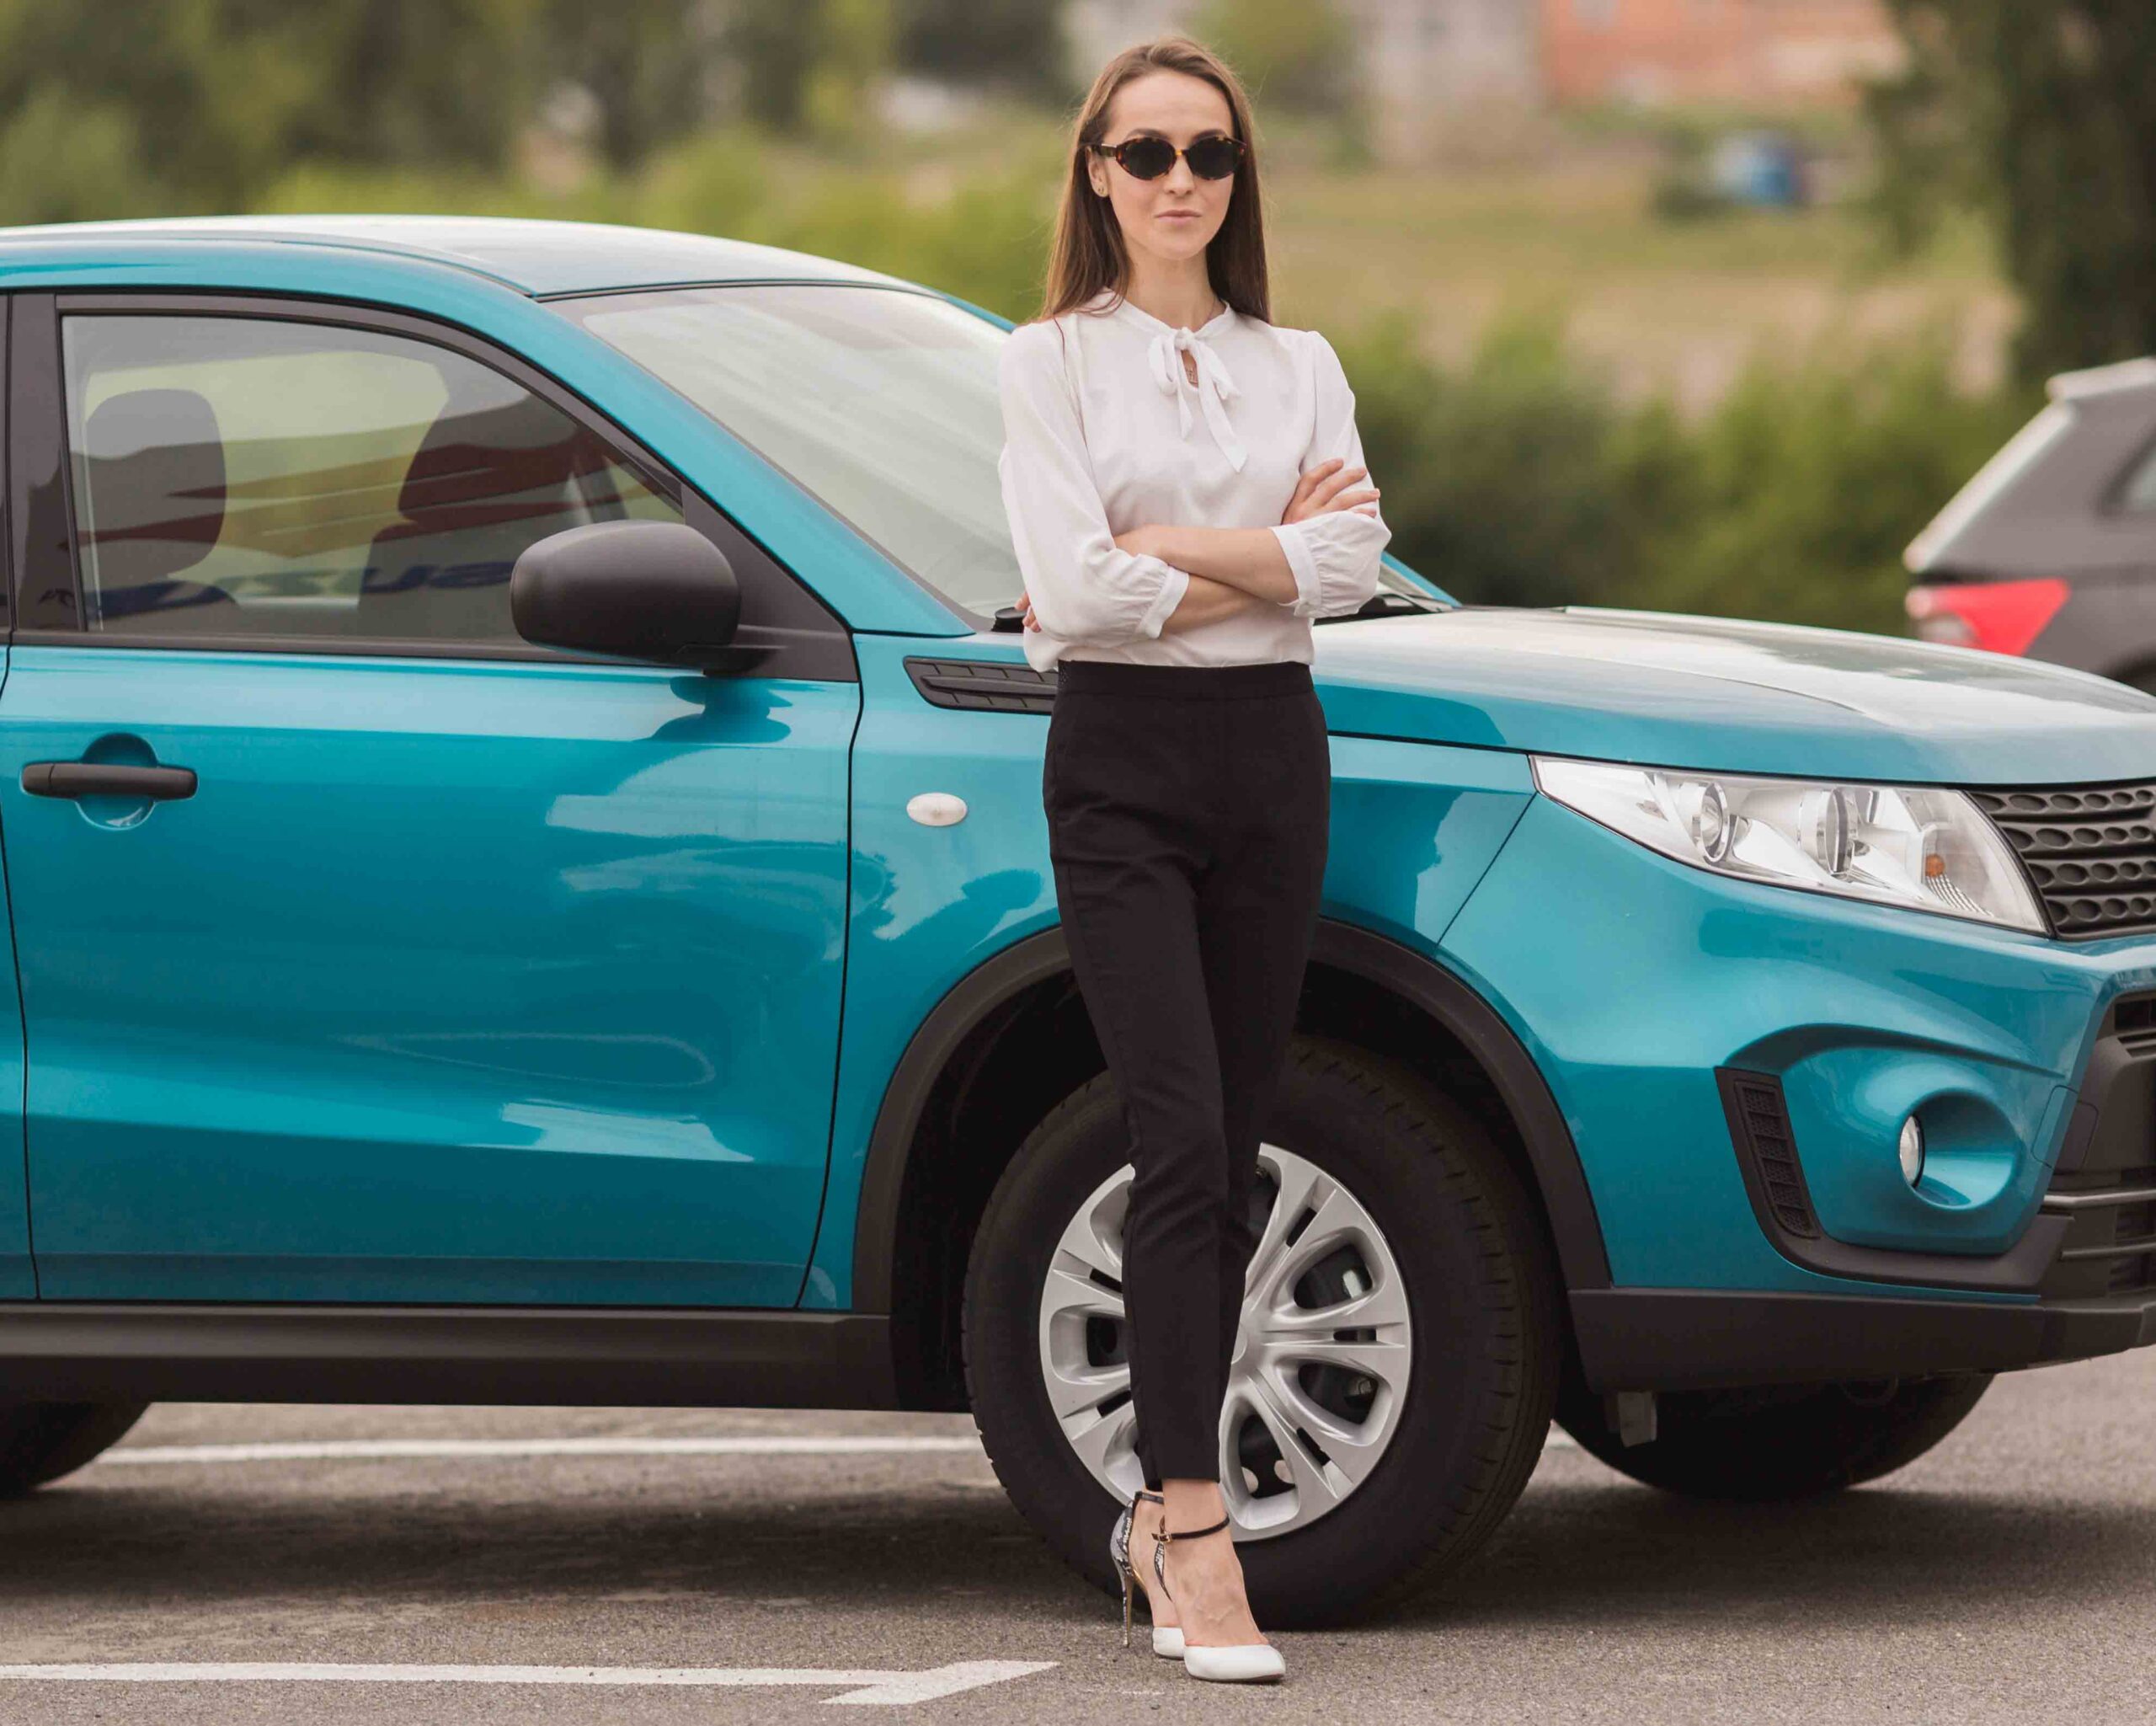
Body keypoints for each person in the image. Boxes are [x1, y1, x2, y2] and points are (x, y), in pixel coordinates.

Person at [995, 33, 1392, 1687]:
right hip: (1118, 766)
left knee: (1231, 1152)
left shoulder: (1296, 359)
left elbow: (1356, 563)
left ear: (1237, 181)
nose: (1175, 181)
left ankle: (1168, 1514)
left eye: (1206, 155)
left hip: (1265, 758)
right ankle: (1190, 1522)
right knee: (1172, 1139)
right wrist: (1262, 560)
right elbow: (1070, 603)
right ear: (1094, 172)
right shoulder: (1044, 362)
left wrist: (1162, 547)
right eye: (1144, 151)